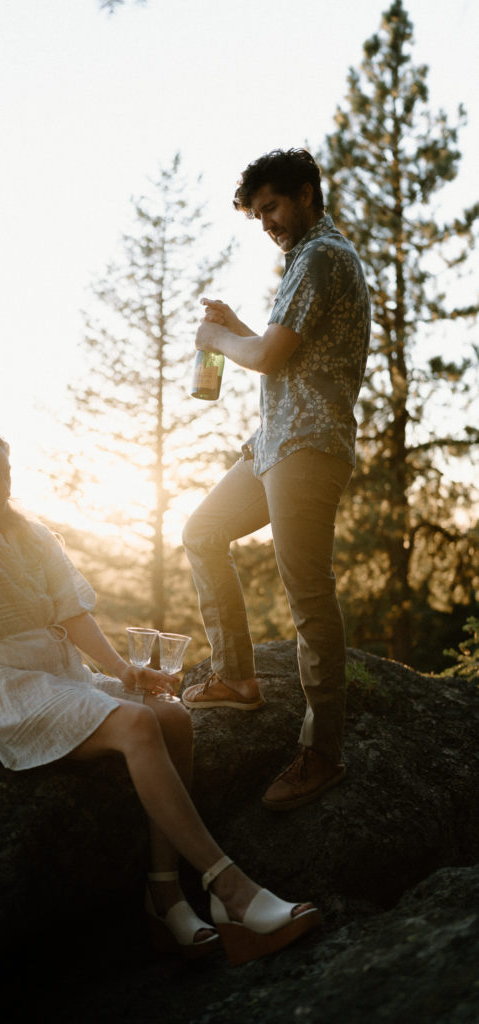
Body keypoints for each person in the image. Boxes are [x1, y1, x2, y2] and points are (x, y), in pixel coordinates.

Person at [0, 420, 321, 965]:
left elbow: (73, 614)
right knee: (137, 726)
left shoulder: (30, 533)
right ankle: (231, 889)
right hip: (12, 688)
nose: (4, 490)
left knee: (172, 716)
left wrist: (124, 672)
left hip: (67, 676)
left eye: (7, 476)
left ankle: (164, 893)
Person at [181, 148, 370, 812]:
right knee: (201, 532)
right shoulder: (303, 261)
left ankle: (322, 753)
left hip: (308, 449)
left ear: (306, 195)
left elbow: (265, 357)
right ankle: (236, 676)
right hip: (271, 445)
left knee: (307, 594)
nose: (265, 221)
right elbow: (272, 345)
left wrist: (217, 337)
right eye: (256, 212)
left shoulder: (322, 257)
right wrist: (230, 327)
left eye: (271, 207)